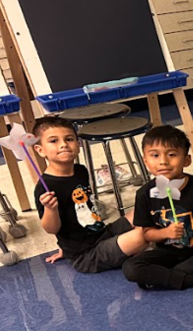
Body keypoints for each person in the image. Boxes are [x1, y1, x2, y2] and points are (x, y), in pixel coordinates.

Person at [122, 126, 193, 290]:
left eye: (172, 154)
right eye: (155, 155)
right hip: (168, 253)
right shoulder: (144, 194)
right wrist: (165, 233)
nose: (163, 161)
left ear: (186, 160)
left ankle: (161, 278)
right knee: (131, 267)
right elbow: (147, 233)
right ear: (145, 161)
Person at [31, 115, 146, 271]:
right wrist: (51, 209)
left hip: (102, 233)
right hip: (85, 255)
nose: (63, 145)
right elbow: (51, 229)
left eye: (69, 139)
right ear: (40, 150)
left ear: (78, 144)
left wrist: (63, 245)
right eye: (54, 141)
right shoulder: (45, 187)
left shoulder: (80, 170)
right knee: (143, 236)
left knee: (144, 210)